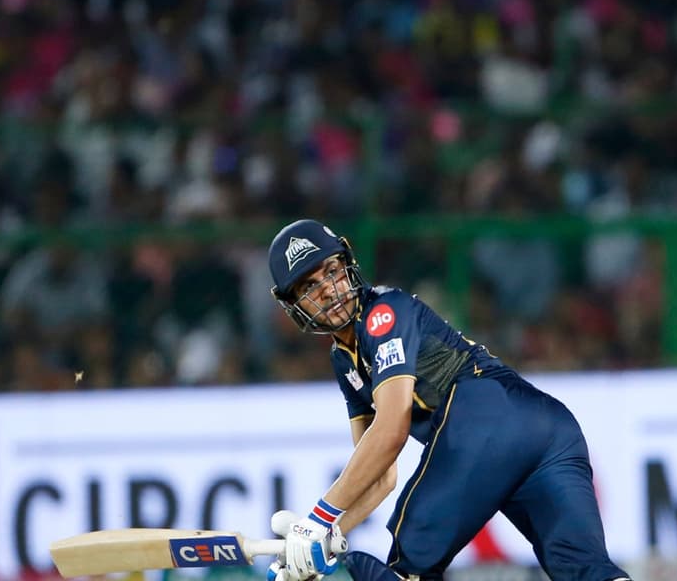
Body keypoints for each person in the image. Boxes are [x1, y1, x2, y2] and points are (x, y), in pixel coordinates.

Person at [263, 219, 631, 581]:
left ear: (348, 264)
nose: (329, 290)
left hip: (486, 415)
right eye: (309, 286)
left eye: (331, 271)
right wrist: (323, 540)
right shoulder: (344, 361)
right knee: (586, 570)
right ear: (293, 304)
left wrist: (317, 520)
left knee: (411, 561)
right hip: (547, 427)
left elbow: (391, 431)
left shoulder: (383, 313)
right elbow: (379, 476)